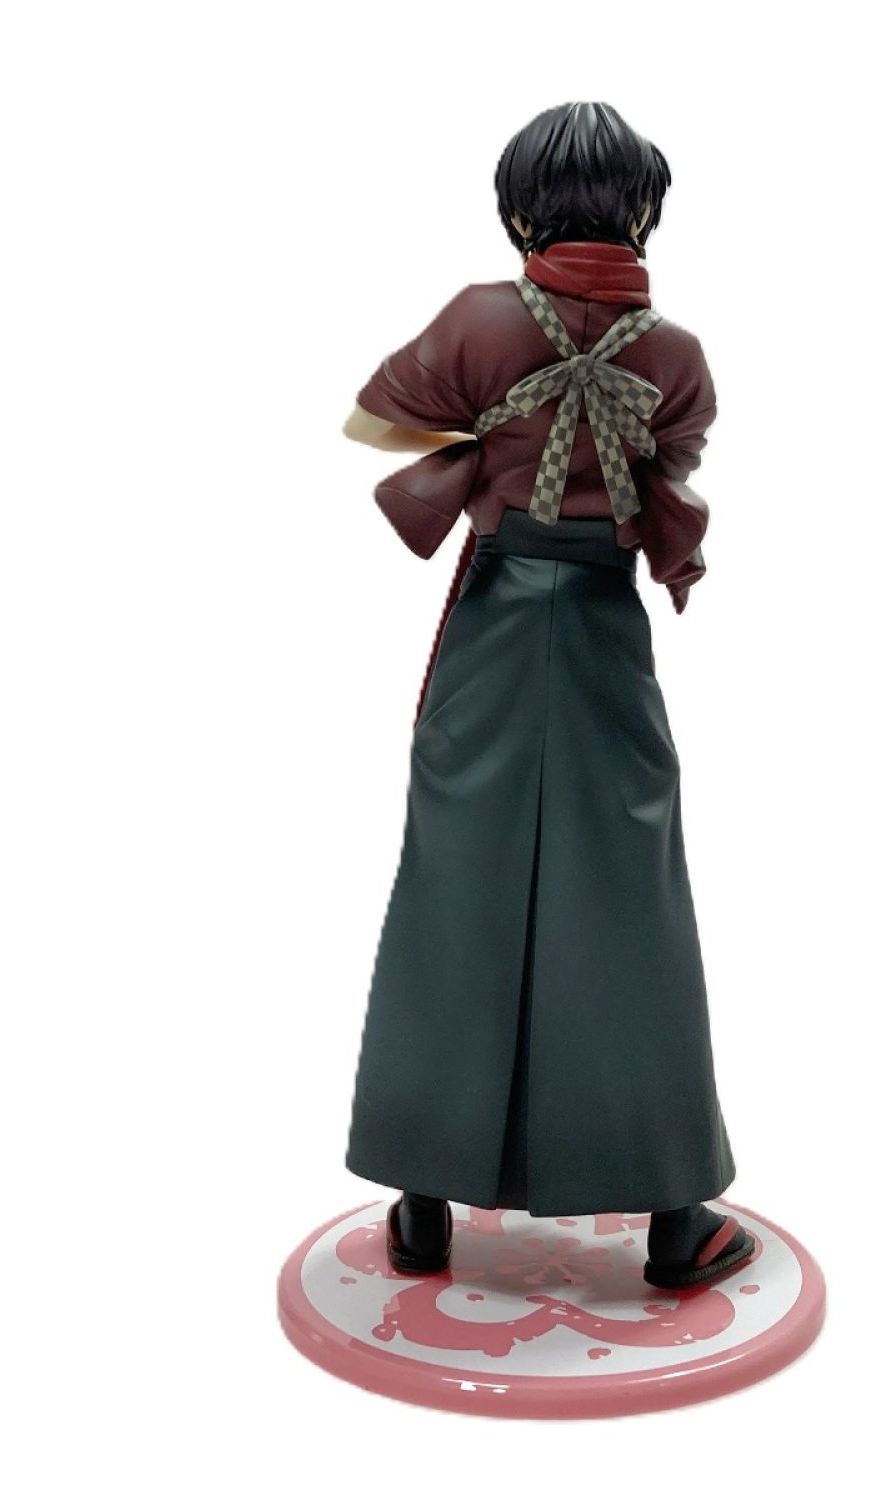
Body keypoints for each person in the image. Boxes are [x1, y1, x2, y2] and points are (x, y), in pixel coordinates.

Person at [341, 102, 753, 1290]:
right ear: (644, 211)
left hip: (495, 626)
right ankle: (675, 1215)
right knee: (631, 907)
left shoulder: (478, 318)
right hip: (605, 633)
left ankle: (423, 1201)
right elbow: (673, 465)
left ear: (520, 211)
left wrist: (491, 436)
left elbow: (378, 418)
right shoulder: (675, 354)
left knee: (451, 892)